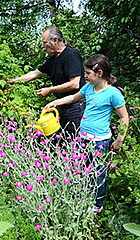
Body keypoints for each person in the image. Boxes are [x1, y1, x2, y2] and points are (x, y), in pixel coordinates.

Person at [44, 54, 129, 213]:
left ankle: (97, 204)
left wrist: (119, 140)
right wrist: (55, 101)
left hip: (99, 140)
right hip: (83, 137)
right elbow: (73, 98)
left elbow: (124, 118)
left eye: (88, 73)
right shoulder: (89, 87)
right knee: (82, 169)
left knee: (97, 171)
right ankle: (83, 197)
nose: (85, 76)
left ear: (100, 73)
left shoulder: (113, 94)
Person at [7, 27, 86, 137]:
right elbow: (35, 73)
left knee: (75, 140)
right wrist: (14, 81)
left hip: (76, 106)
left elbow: (74, 83)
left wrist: (49, 90)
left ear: (55, 40)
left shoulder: (71, 55)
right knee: (66, 140)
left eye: (45, 43)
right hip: (63, 105)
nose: (43, 47)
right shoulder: (53, 59)